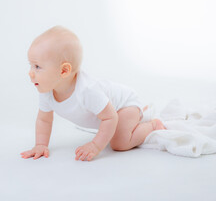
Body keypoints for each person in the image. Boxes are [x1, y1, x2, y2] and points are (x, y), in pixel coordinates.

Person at [20, 26, 166, 162]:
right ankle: (137, 119)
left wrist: (95, 145)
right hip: (110, 112)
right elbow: (44, 120)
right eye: (31, 65)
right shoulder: (47, 91)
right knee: (113, 132)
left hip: (124, 106)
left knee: (119, 143)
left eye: (37, 67)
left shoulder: (87, 90)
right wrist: (40, 144)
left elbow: (110, 117)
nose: (30, 73)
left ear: (64, 71)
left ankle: (152, 125)